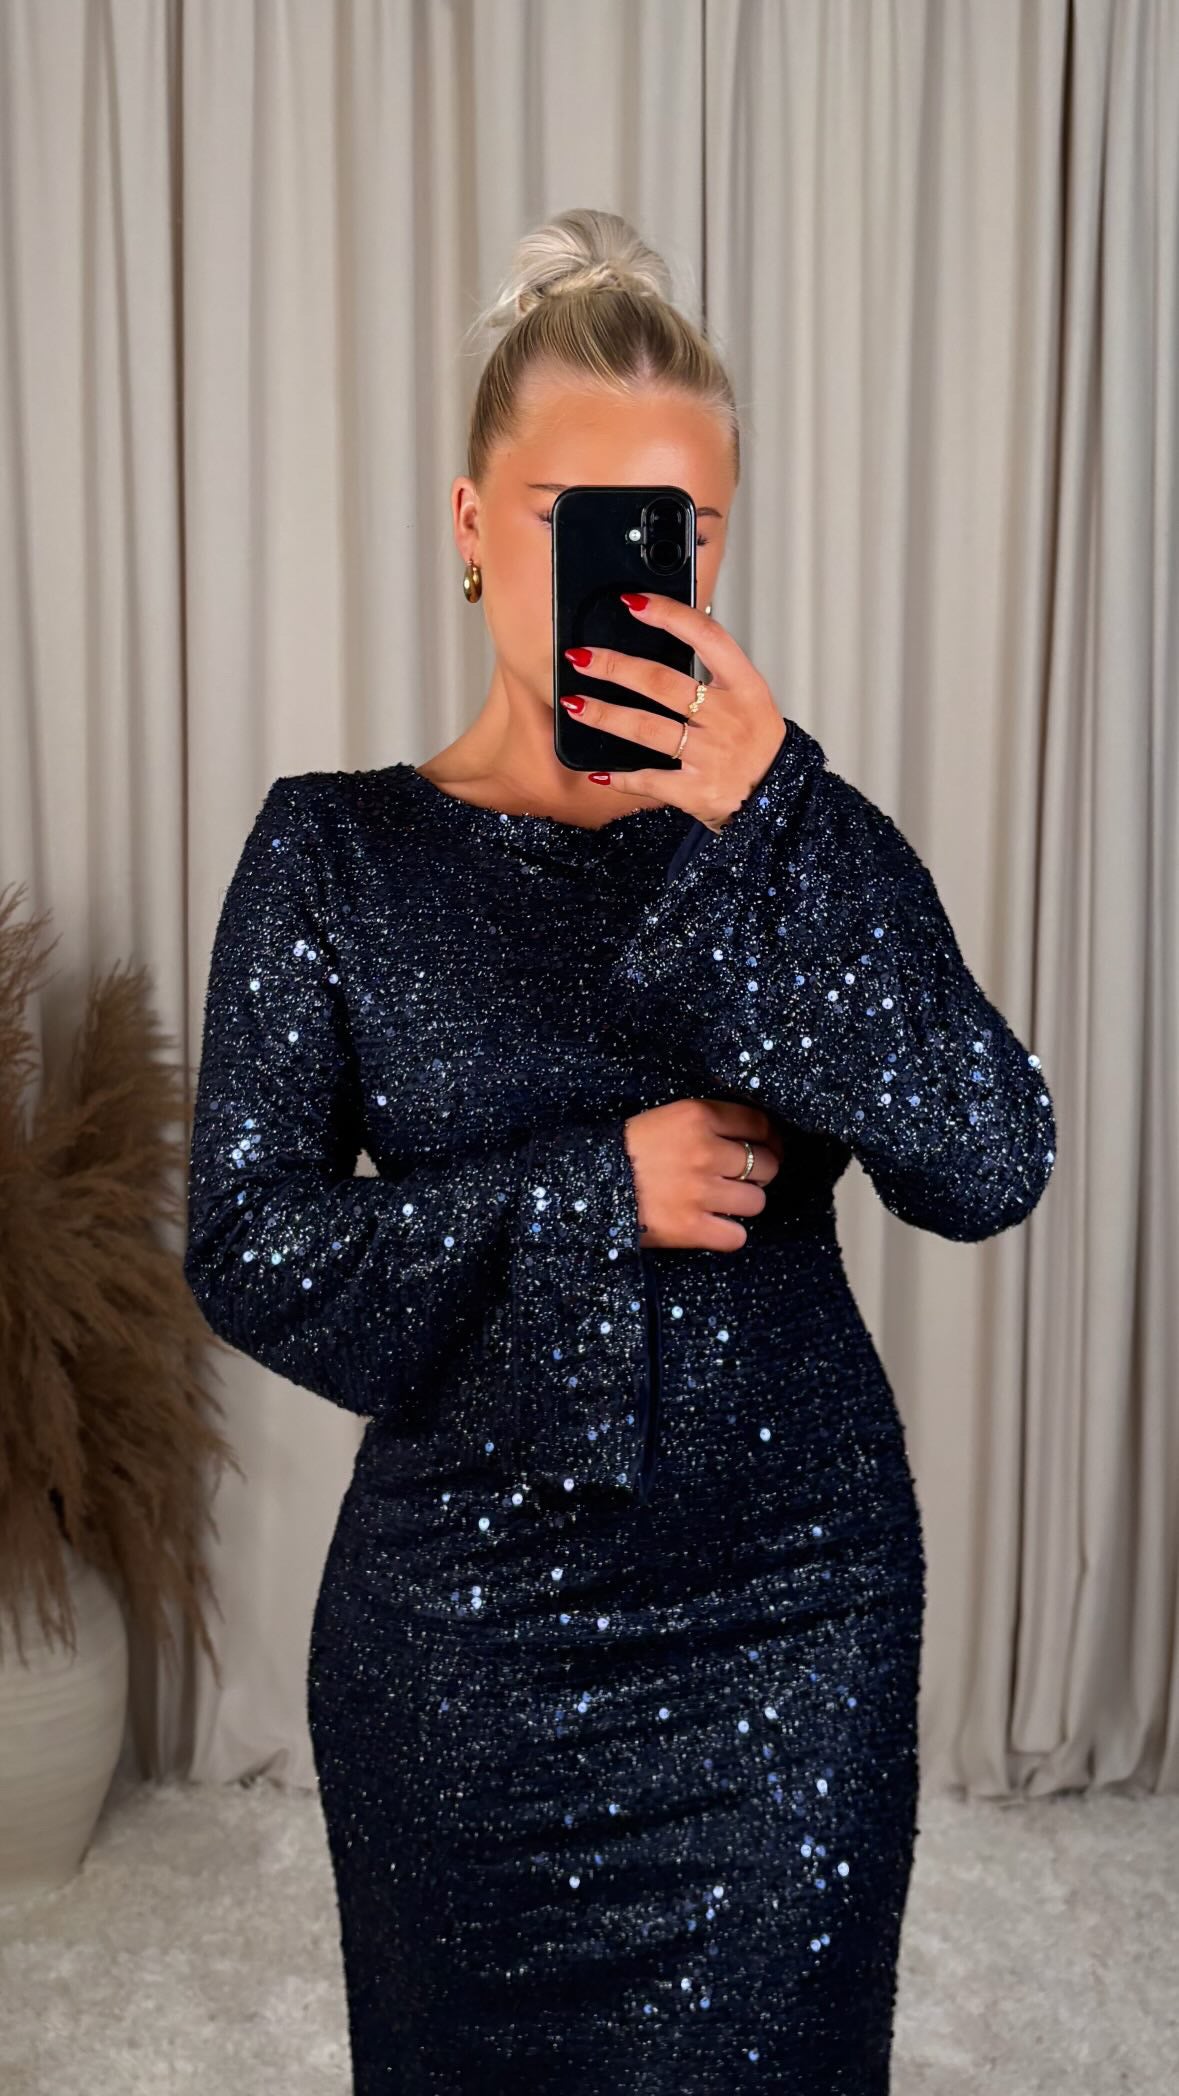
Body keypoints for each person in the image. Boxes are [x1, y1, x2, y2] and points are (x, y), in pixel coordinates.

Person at [184, 207, 1056, 2094]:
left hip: (792, 1622)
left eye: (686, 527)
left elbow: (994, 1158)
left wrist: (778, 820)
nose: (639, 568)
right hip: (463, 1652)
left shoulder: (797, 835)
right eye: (580, 514)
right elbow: (246, 1246)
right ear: (471, 522)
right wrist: (595, 1194)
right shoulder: (332, 853)